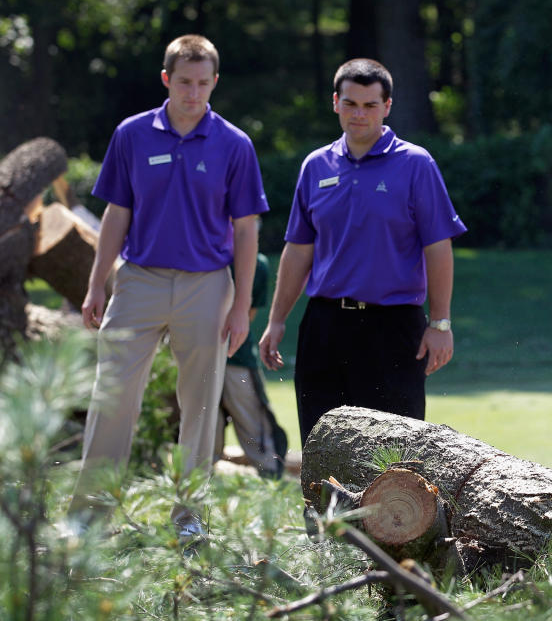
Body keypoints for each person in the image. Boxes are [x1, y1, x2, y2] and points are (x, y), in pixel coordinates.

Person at [68, 35, 269, 539]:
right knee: (112, 395)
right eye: (184, 82)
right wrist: (97, 285)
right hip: (138, 282)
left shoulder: (235, 144)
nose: (193, 93)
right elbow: (117, 214)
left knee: (200, 406)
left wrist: (242, 305)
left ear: (214, 83)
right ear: (166, 80)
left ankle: (189, 519)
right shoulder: (132, 135)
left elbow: (246, 230)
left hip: (207, 286)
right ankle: (88, 518)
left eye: (203, 83)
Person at [259, 57, 466, 450]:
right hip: (324, 326)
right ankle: (325, 517)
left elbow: (438, 248)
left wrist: (440, 323)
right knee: (322, 447)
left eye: (370, 105)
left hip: (393, 329)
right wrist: (277, 320)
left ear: (387, 107)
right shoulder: (315, 166)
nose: (359, 114)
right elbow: (299, 249)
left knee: (393, 453)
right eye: (351, 104)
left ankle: (386, 516)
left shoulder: (415, 164)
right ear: (335, 102)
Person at [215, 252, 288, 479]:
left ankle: (272, 481)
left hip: (236, 358)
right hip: (201, 355)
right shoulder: (202, 253)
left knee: (255, 428)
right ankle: (196, 486)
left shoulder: (257, 264)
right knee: (202, 428)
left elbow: (246, 318)